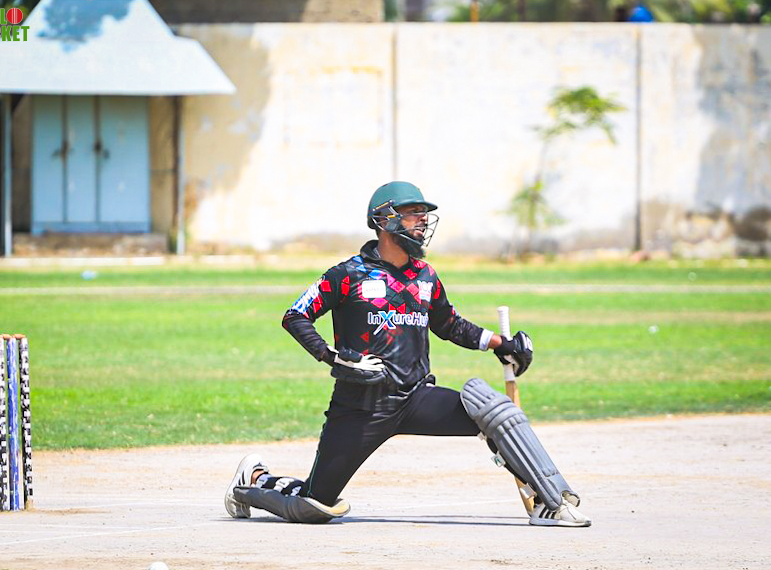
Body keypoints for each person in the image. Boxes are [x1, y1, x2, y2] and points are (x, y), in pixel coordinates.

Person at [224, 181, 591, 527]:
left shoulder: (425, 276)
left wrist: (500, 344)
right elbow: (295, 316)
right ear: (385, 220)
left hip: (416, 398)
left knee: (494, 412)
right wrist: (332, 356)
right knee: (314, 505)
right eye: (413, 213)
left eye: (424, 214)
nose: (423, 221)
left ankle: (550, 499)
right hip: (360, 407)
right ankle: (253, 480)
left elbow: (449, 324)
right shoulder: (347, 274)